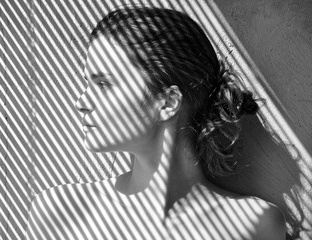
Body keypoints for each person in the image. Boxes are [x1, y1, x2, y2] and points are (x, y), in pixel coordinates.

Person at [26, 7, 286, 239]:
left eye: (104, 84)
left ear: (167, 102)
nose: (80, 102)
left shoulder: (253, 225)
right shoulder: (60, 213)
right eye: (88, 83)